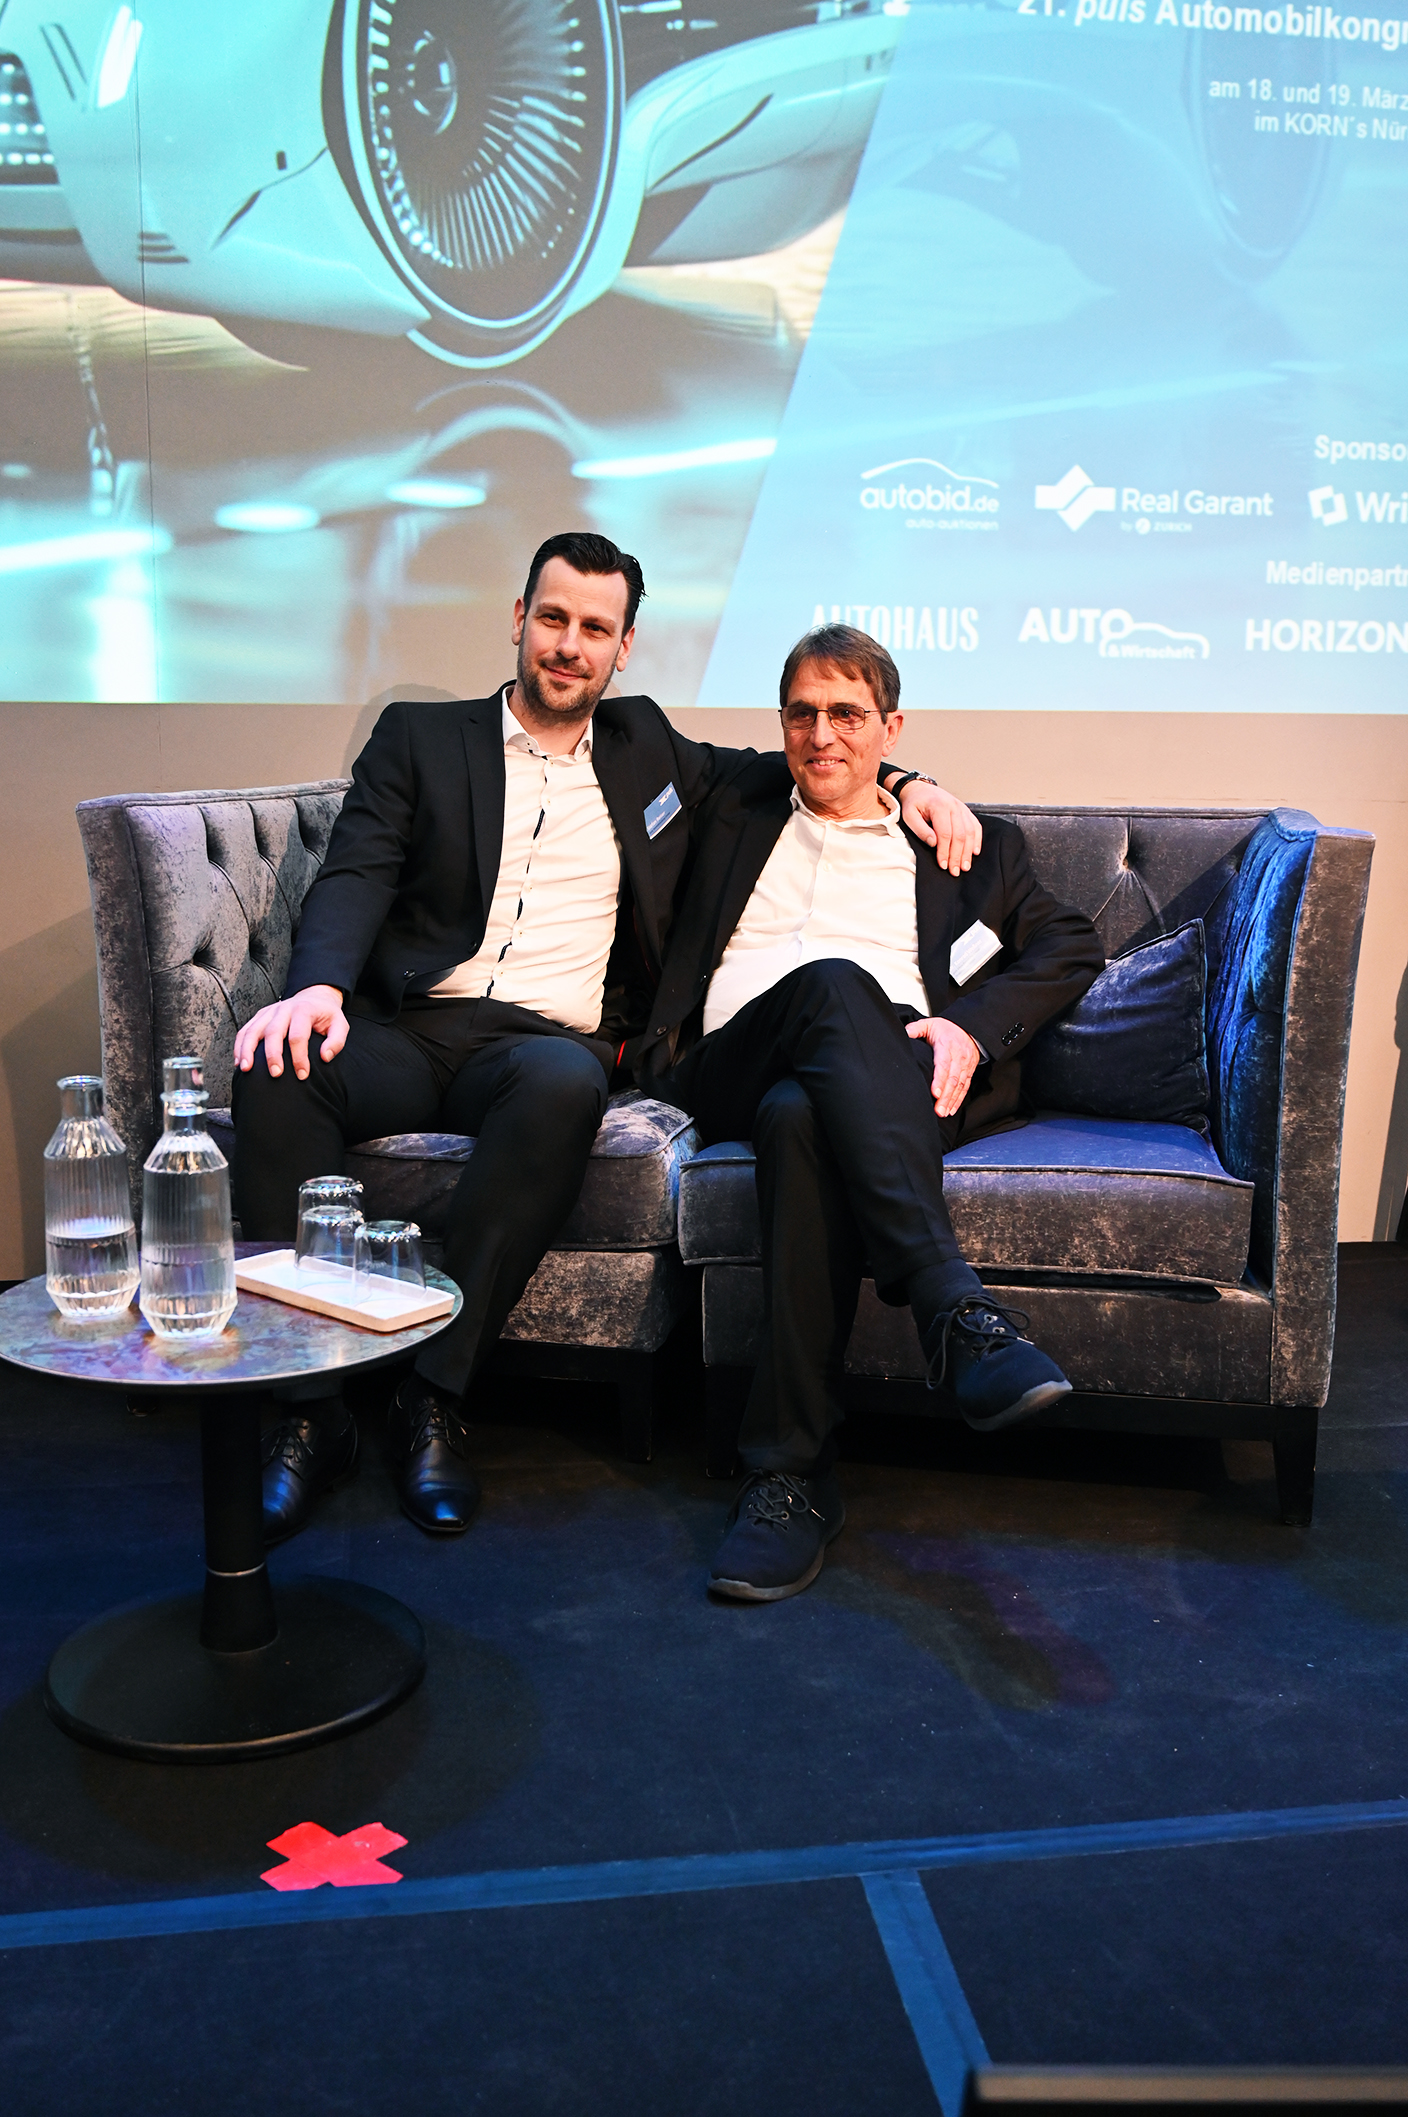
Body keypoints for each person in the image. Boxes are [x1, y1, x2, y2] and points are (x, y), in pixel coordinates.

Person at [230, 537, 979, 1544]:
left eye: (594, 628)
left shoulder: (647, 748)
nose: (568, 645)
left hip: (542, 1043)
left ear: (623, 648)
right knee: (276, 1071)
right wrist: (317, 988)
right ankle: (307, 1410)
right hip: (412, 1023)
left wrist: (914, 779)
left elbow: (805, 760)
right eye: (553, 618)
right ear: (518, 619)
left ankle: (435, 1395)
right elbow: (357, 868)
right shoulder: (421, 737)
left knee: (561, 1088)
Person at [637, 623, 1106, 1603]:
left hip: (886, 1085)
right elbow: (639, 731)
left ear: (891, 725)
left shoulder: (970, 849)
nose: (821, 735)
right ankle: (952, 1307)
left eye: (847, 714)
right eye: (802, 713)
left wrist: (971, 1027)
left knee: (801, 1117)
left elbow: (1069, 943)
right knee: (832, 982)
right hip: (729, 1059)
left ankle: (788, 1474)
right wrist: (909, 775)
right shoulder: (735, 804)